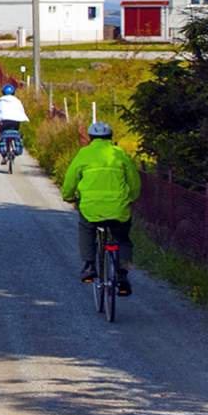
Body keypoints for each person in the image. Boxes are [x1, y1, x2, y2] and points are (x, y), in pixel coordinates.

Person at [61, 122, 141, 295]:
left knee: (86, 229)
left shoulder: (84, 153)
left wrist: (68, 196)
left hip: (91, 208)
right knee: (123, 240)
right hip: (118, 208)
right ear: (110, 137)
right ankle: (123, 275)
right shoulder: (119, 154)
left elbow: (70, 179)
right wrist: (130, 198)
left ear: (90, 138)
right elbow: (134, 182)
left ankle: (89, 266)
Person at [0, 83, 28, 155]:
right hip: (15, 121)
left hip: (4, 121)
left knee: (2, 131)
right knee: (15, 130)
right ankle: (15, 142)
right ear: (13, 93)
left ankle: (4, 149)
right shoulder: (17, 101)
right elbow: (21, 110)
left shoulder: (0, 100)